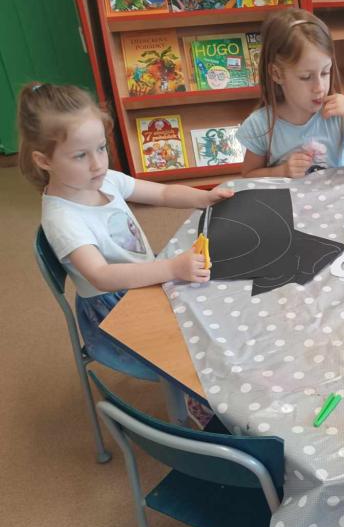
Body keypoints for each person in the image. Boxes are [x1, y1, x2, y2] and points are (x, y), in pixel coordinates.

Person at [18, 82, 232, 378]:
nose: (97, 164)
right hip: (113, 308)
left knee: (217, 300)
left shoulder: (103, 179)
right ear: (44, 161)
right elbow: (102, 276)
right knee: (192, 347)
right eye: (80, 155)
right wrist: (171, 269)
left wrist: (204, 198)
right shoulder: (62, 219)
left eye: (101, 148)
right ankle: (191, 393)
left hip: (146, 276)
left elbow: (162, 194)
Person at [237, 8, 344, 179]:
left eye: (325, 73)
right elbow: (248, 177)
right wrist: (281, 171)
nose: (319, 87)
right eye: (306, 77)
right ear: (277, 74)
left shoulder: (338, 114)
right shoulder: (261, 124)